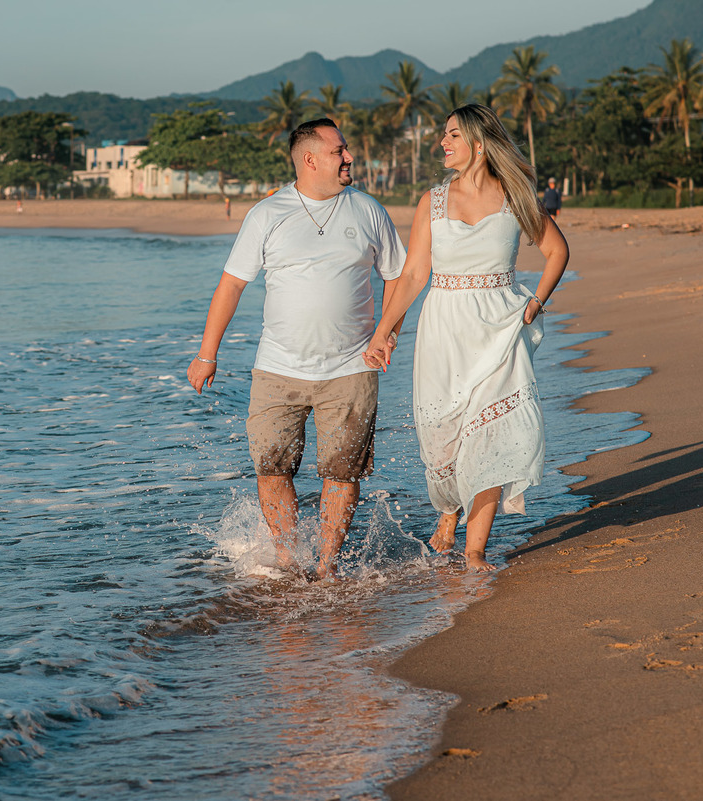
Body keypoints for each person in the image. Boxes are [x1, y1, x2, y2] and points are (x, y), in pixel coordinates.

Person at [188, 118, 407, 579]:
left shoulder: (367, 210)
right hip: (278, 368)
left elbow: (398, 278)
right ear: (310, 159)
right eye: (339, 151)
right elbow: (231, 285)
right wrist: (208, 354)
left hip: (351, 367)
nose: (349, 157)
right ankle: (288, 560)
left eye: (345, 150)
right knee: (272, 467)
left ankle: (325, 566)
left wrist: (385, 333)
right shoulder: (268, 214)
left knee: (342, 472)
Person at [364, 104, 569, 571]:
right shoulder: (432, 202)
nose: (443, 142)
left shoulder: (515, 196)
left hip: (501, 329)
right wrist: (384, 332)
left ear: (478, 143)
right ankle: (449, 512)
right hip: (445, 328)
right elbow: (415, 273)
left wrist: (535, 303)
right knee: (443, 437)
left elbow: (557, 250)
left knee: (493, 438)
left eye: (452, 134)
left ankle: (475, 550)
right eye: (443, 134)